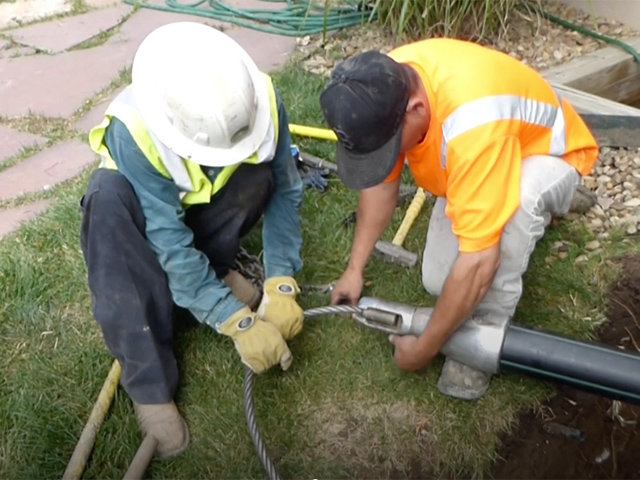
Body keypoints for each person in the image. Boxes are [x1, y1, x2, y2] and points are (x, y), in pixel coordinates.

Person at [319, 38, 598, 400]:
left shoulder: (472, 124)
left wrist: (425, 349)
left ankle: (484, 335)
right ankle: (498, 198)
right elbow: (380, 187)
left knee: (512, 216)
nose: (386, 158)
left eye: (386, 148)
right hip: (484, 155)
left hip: (551, 152)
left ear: (417, 109)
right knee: (439, 281)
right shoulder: (381, 86)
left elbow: (480, 262)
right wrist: (354, 269)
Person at [80, 22, 305, 457]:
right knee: (107, 203)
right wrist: (234, 320)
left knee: (259, 174)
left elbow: (286, 191)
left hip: (198, 219)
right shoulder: (135, 130)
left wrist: (281, 280)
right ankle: (149, 386)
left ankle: (218, 268)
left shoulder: (257, 101)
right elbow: (169, 243)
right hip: (142, 230)